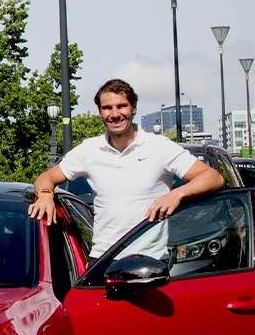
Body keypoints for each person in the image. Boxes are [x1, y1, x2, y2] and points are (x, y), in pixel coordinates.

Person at [28, 78, 225, 260]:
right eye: (107, 108)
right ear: (100, 112)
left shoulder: (159, 147)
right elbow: (46, 177)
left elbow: (213, 178)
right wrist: (45, 194)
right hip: (103, 258)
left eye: (121, 106)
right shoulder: (90, 150)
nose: (115, 114)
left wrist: (177, 194)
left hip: (150, 259)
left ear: (133, 108)